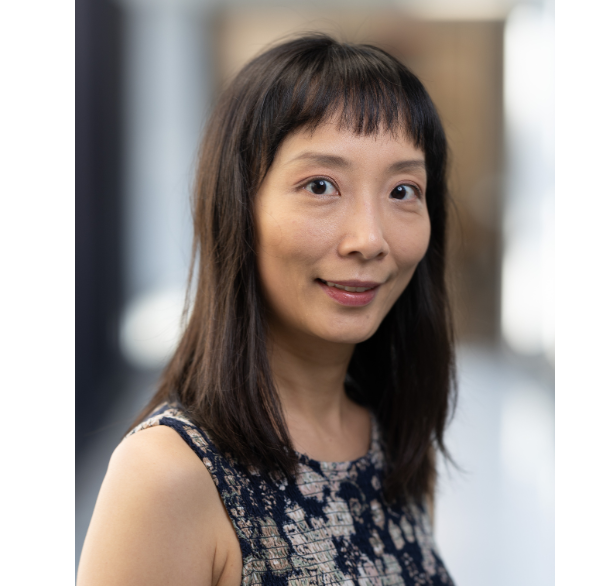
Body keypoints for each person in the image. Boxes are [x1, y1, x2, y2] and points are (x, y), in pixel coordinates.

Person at [77, 33, 456, 586]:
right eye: (321, 185)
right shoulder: (168, 476)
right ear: (238, 209)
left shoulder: (395, 443)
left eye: (403, 191)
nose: (370, 239)